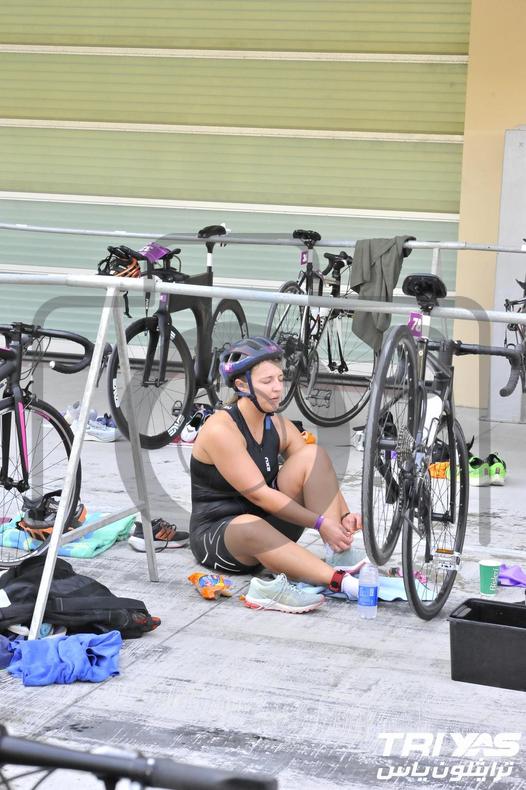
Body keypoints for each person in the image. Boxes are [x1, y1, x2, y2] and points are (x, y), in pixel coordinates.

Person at [189, 337, 364, 613]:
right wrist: (320, 523)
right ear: (242, 385)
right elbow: (260, 495)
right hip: (222, 536)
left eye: (280, 379)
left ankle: (339, 555)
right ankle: (341, 582)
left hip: (266, 522)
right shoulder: (221, 430)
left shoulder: (277, 424)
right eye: (267, 381)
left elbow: (317, 471)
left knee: (312, 454)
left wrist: (342, 516)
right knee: (250, 524)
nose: (277, 388)